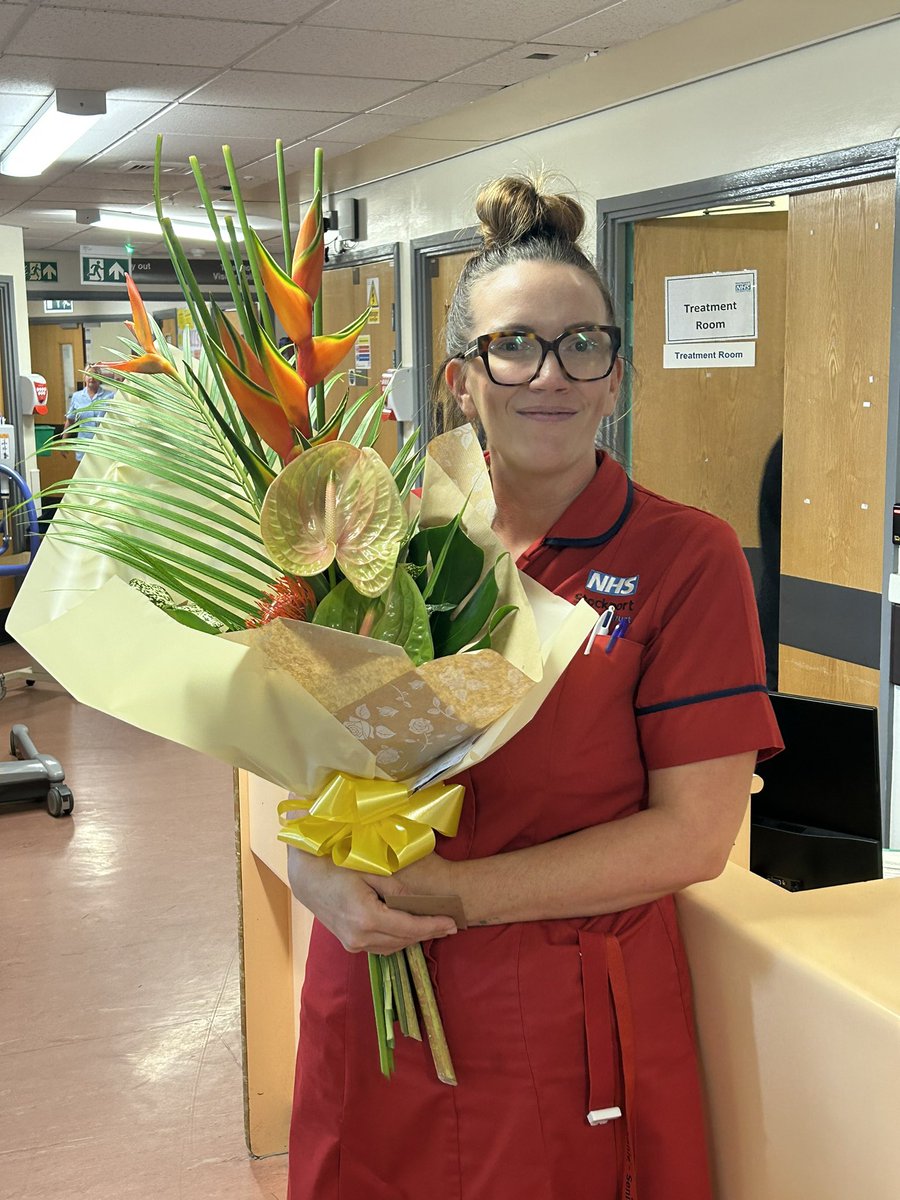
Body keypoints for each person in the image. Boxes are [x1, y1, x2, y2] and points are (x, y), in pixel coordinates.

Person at [285, 175, 783, 1200]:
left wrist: (451, 895)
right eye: (513, 345)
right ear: (462, 380)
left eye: (582, 345)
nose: (548, 375)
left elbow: (694, 835)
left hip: (559, 1012)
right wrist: (312, 875)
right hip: (371, 987)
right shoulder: (383, 539)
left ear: (616, 379)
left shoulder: (683, 559)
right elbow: (294, 750)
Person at [64, 369, 114, 459]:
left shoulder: (110, 396)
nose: (92, 378)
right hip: (84, 446)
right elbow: (70, 420)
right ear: (84, 377)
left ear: (100, 378)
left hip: (104, 446)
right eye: (88, 374)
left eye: (95, 375)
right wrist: (64, 442)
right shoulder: (77, 397)